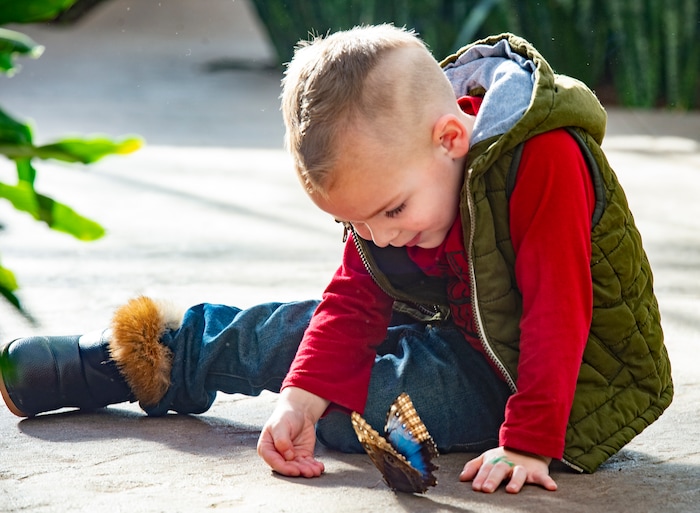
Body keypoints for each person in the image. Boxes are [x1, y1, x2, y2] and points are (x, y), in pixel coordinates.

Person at [0, 25, 673, 494]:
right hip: (458, 328)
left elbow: (561, 307)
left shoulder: (544, 157)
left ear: (450, 138)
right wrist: (300, 391)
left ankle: (342, 412)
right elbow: (355, 293)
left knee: (370, 401)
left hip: (558, 384)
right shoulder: (401, 187)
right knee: (299, 337)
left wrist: (527, 439)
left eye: (388, 213)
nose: (374, 236)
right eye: (353, 223)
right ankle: (137, 359)